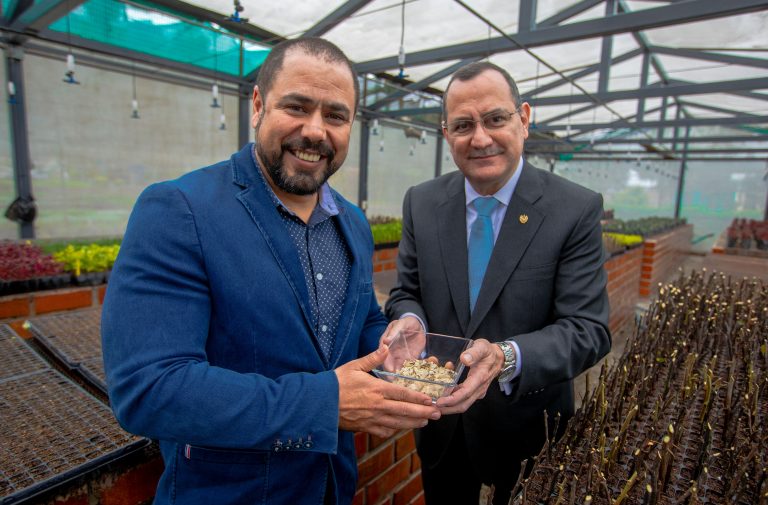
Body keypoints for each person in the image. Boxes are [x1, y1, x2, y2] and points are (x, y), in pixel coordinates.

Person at [101, 38, 440, 505]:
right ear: (258, 105)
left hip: (329, 487)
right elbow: (149, 388)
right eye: (297, 106)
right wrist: (323, 404)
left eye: (336, 116)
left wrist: (391, 346)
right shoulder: (180, 210)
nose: (316, 131)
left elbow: (359, 323)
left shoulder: (352, 223)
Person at [384, 61, 611, 505]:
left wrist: (505, 357)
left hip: (530, 428)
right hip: (441, 425)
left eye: (496, 119)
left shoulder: (574, 209)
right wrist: (408, 318)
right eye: (464, 125)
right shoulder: (423, 203)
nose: (481, 138)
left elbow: (589, 329)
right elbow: (406, 290)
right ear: (446, 132)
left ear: (524, 119)